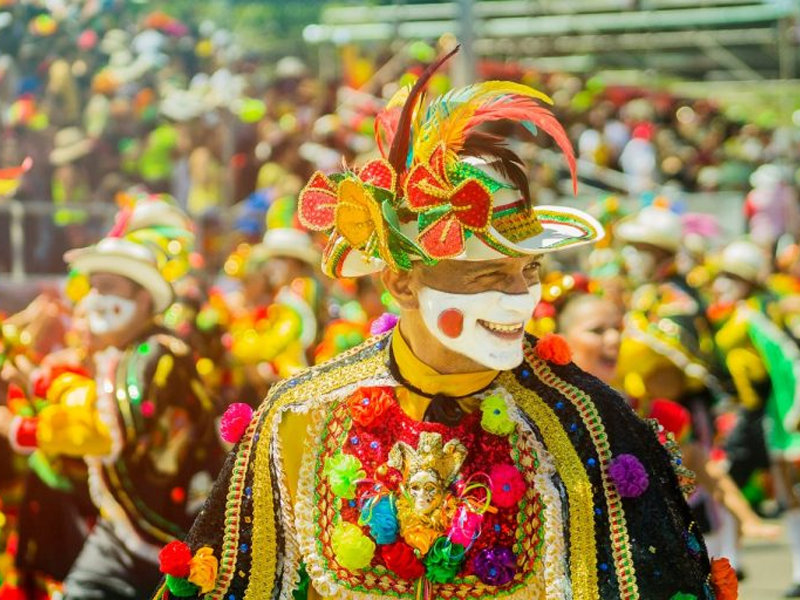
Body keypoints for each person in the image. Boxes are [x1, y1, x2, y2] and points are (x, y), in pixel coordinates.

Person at [152, 55, 732, 600]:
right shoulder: (300, 416)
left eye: (527, 270)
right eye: (485, 275)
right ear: (402, 285)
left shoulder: (587, 424)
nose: (517, 297)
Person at [0, 196, 222, 600]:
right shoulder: (123, 354)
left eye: (111, 288)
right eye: (95, 287)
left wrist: (18, 427)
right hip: (123, 529)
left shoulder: (156, 354)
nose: (98, 299)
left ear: (143, 300)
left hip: (171, 539)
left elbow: (107, 429)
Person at [708, 239, 800, 596]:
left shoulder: (756, 313)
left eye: (732, 276)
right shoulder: (733, 312)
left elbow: (788, 360)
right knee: (727, 483)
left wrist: (794, 409)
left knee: (785, 489)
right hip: (746, 413)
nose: (723, 283)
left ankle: (791, 571)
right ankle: (732, 563)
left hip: (769, 414)